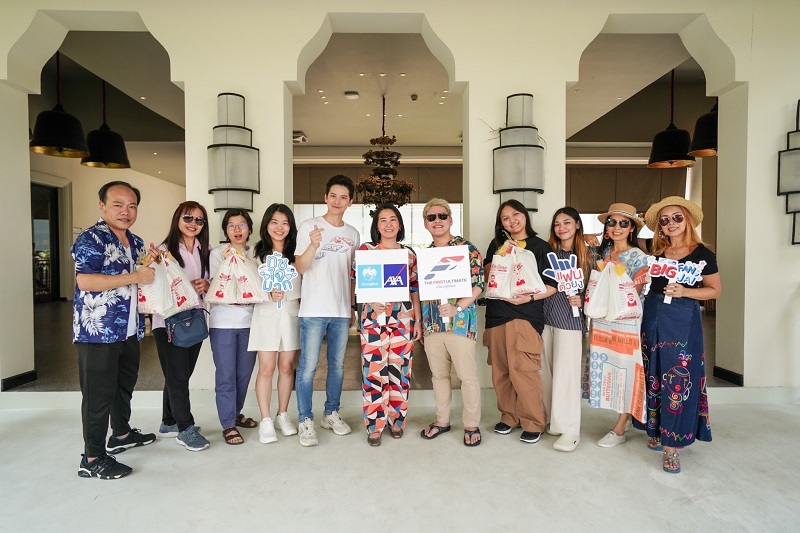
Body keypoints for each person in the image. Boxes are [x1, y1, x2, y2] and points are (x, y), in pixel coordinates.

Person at [71, 180, 156, 480]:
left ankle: (120, 434)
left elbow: (143, 278)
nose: (125, 211)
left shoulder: (136, 241)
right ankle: (92, 458)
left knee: (123, 387)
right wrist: (135, 276)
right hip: (98, 333)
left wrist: (152, 263)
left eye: (132, 206)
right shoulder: (90, 238)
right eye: (118, 205)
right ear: (102, 206)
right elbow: (85, 281)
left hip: (129, 330)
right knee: (97, 396)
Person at [639, 196, 720, 474]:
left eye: (676, 217)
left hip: (683, 320)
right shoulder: (657, 252)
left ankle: (672, 445)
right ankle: (655, 429)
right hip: (652, 316)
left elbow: (715, 290)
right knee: (652, 372)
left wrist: (686, 291)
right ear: (659, 226)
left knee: (677, 377)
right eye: (664, 220)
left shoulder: (702, 254)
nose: (671, 223)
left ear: (687, 219)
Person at [482, 199, 557, 445]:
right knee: (501, 372)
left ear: (525, 216)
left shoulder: (540, 247)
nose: (511, 220)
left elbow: (552, 285)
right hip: (495, 316)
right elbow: (486, 277)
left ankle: (533, 421)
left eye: (516, 214)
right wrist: (503, 254)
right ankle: (509, 416)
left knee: (523, 372)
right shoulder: (496, 244)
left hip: (524, 317)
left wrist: (529, 298)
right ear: (501, 224)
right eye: (505, 218)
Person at [294, 175, 360, 447]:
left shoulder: (353, 234)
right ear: (325, 197)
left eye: (343, 197)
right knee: (308, 367)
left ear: (350, 202)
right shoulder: (309, 226)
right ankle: (305, 419)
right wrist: (313, 244)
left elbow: (353, 275)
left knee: (338, 366)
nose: (337, 201)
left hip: (341, 309)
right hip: (313, 309)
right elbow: (300, 267)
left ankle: (331, 413)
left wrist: (352, 305)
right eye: (333, 195)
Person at [352, 204, 422, 446]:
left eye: (393, 219)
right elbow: (356, 283)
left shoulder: (409, 254)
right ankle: (374, 425)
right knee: (374, 372)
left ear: (399, 224)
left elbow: (415, 289)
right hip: (373, 320)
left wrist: (417, 320)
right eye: (383, 220)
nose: (388, 224)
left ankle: (396, 421)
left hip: (403, 320)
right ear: (376, 225)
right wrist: (368, 300)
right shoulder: (366, 250)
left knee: (399, 372)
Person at [418, 198, 486, 446]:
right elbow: (419, 290)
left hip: (460, 324)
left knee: (467, 376)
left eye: (442, 216)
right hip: (432, 323)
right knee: (439, 376)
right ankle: (442, 420)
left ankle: (471, 424)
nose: (437, 221)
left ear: (450, 220)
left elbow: (479, 285)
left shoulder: (467, 249)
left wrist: (457, 307)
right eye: (431, 217)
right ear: (425, 223)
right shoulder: (425, 256)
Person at [150, 201, 212, 451]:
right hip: (168, 323)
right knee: (177, 376)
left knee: (180, 374)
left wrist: (206, 285)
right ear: (177, 219)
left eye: (199, 220)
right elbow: (152, 282)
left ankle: (169, 422)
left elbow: (211, 281)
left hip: (194, 320)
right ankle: (185, 428)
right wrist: (151, 263)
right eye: (188, 218)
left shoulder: (204, 250)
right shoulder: (163, 251)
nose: (193, 223)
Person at [588, 203, 649, 448]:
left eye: (624, 223)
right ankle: (625, 416)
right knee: (610, 367)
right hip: (603, 320)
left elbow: (636, 291)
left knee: (626, 369)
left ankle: (620, 426)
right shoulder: (603, 252)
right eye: (611, 222)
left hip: (626, 321)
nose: (617, 227)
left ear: (632, 228)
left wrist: (615, 269)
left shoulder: (638, 256)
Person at [541, 206, 595, 452]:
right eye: (557, 224)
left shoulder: (589, 255)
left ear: (577, 224)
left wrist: (583, 299)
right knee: (546, 373)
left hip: (570, 322)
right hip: (545, 318)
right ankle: (553, 421)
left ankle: (570, 430)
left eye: (566, 223)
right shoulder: (548, 252)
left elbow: (598, 287)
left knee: (567, 375)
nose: (561, 228)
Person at [249, 203, 301, 444]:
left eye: (285, 223)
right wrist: (267, 293)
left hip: (290, 312)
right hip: (265, 313)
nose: (280, 227)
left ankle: (282, 414)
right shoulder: (255, 253)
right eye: (274, 222)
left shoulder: (297, 253)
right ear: (266, 224)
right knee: (267, 368)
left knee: (287, 366)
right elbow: (248, 285)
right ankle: (266, 420)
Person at [209, 209, 259, 445]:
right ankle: (228, 424)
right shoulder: (217, 254)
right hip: (223, 323)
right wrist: (228, 262)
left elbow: (259, 285)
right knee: (226, 375)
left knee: (243, 375)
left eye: (242, 225)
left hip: (251, 322)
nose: (237, 230)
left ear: (249, 228)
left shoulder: (256, 253)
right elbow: (217, 286)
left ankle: (235, 413)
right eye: (231, 225)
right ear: (225, 230)